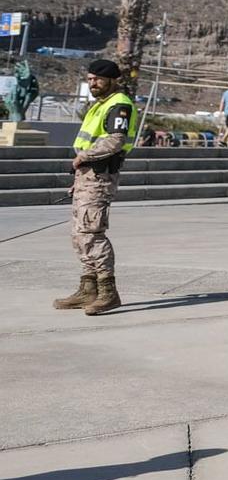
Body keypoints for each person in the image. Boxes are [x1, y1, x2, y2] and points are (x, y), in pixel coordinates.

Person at [54, 59, 135, 315]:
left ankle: (108, 292)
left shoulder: (118, 104)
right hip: (86, 177)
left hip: (100, 176)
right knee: (80, 235)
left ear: (112, 80)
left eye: (97, 79)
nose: (92, 84)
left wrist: (83, 158)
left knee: (91, 233)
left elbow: (115, 141)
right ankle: (88, 288)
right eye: (89, 79)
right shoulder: (99, 106)